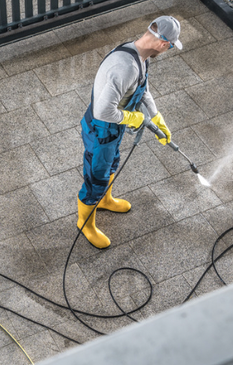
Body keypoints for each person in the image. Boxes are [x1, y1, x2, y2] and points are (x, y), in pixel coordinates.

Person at [77, 15, 183, 249]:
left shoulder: (139, 55)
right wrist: (133, 117)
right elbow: (102, 111)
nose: (170, 49)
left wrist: (155, 115)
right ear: (164, 44)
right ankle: (85, 224)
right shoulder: (125, 67)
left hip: (114, 129)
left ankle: (105, 200)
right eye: (172, 46)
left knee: (112, 163)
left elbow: (141, 88)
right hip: (101, 130)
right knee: (96, 178)